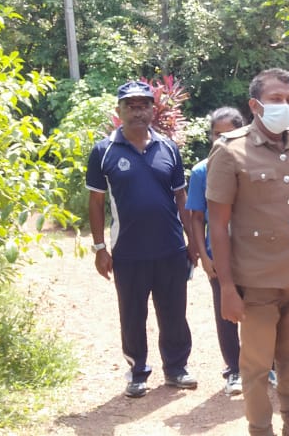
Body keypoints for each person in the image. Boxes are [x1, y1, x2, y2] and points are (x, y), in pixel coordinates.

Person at [205, 68, 289, 436]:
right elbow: (218, 225)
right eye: (276, 99)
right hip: (257, 283)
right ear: (255, 105)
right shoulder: (229, 150)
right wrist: (226, 288)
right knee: (257, 366)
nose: (285, 106)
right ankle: (260, 428)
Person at [85, 80, 199, 399]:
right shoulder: (104, 151)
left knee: (174, 313)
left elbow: (181, 197)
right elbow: (96, 202)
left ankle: (176, 368)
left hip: (170, 248)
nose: (137, 112)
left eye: (143, 105)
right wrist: (99, 248)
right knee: (132, 315)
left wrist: (192, 240)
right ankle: (137, 372)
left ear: (152, 109)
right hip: (128, 252)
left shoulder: (168, 147)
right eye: (130, 106)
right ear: (119, 110)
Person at [185, 106, 246, 396]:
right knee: (226, 314)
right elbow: (197, 218)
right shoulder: (201, 171)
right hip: (219, 256)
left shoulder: (252, 166)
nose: (222, 140)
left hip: (253, 255)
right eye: (216, 134)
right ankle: (234, 369)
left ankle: (264, 365)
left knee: (258, 311)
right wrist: (204, 256)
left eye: (229, 134)